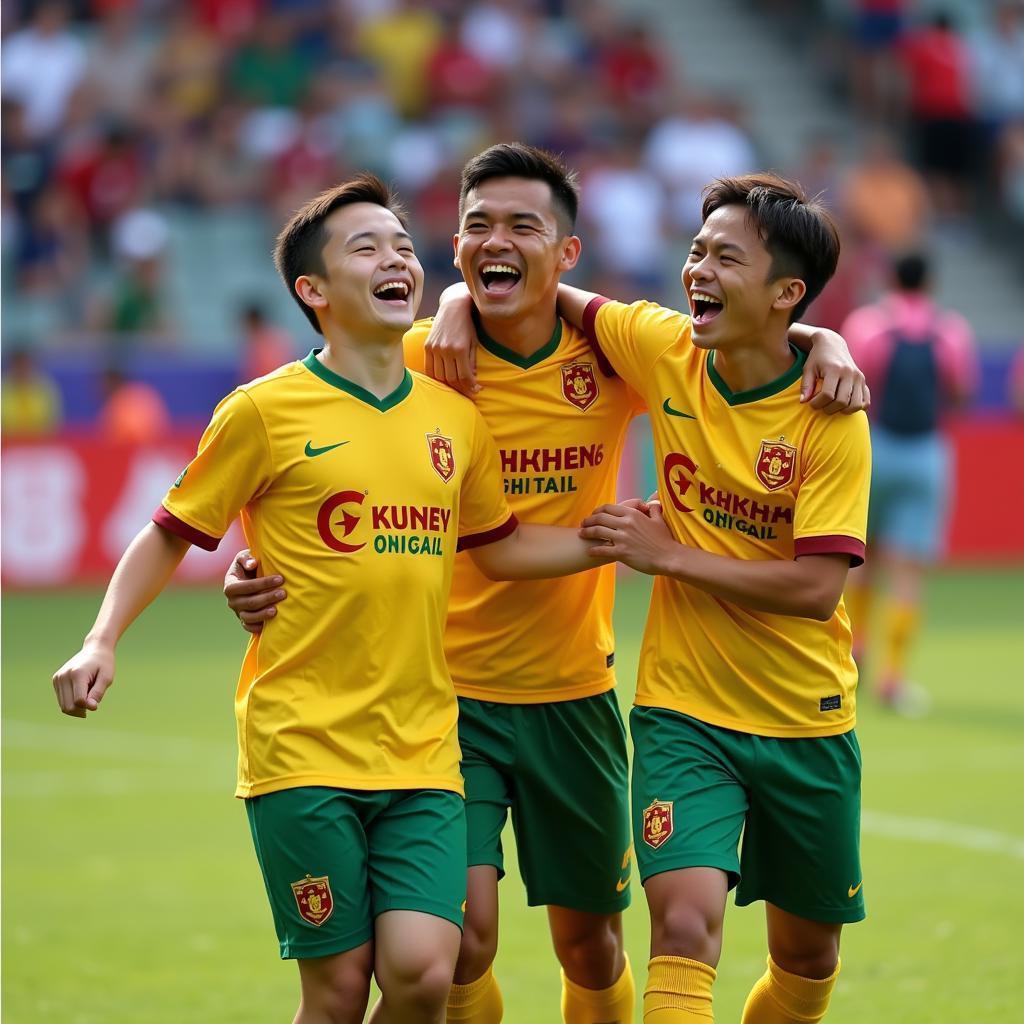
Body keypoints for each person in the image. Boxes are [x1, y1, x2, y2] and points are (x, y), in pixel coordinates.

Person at [224, 146, 869, 1024]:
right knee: (464, 943)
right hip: (443, 700)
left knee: (598, 945)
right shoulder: (410, 355)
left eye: (523, 227)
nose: (497, 242)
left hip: (578, 690)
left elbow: (740, 343)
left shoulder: (620, 352)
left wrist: (822, 337)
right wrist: (252, 566)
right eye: (478, 227)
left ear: (566, 254)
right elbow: (298, 442)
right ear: (453, 246)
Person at [51, 174, 606, 1024]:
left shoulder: (455, 419)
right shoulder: (265, 411)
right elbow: (171, 529)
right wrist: (102, 639)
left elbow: (501, 549)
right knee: (340, 990)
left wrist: (626, 543)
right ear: (314, 290)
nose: (395, 259)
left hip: (423, 747)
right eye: (365, 247)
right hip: (302, 743)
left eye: (399, 244)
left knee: (426, 971)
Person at [563, 173, 871, 1023]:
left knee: (808, 962)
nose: (696, 267)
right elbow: (548, 289)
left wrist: (673, 557)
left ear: (785, 294)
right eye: (696, 251)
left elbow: (815, 589)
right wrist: (446, 311)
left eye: (724, 257)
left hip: (806, 719)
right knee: (684, 926)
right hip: (683, 710)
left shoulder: (829, 414)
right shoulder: (667, 349)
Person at [840, 252, 977, 714]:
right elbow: (961, 392)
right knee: (906, 573)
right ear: (931, 282)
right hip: (925, 454)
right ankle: (893, 680)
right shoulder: (950, 331)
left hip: (873, 446)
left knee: (860, 558)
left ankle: (854, 651)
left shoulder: (867, 325)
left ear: (890, 279)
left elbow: (851, 385)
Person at [1, 346, 63, 437]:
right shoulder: (3, 388)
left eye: (25, 365)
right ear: (12, 367)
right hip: (7, 441)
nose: (22, 370)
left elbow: (54, 421)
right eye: (18, 366)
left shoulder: (45, 388)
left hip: (40, 441)